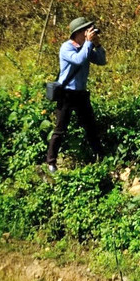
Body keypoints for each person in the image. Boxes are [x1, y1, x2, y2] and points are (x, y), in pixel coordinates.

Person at [45, 16, 106, 174]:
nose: (90, 33)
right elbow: (79, 60)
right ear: (78, 32)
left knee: (90, 126)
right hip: (66, 94)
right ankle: (51, 162)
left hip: (81, 94)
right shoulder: (67, 48)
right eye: (87, 30)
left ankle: (101, 156)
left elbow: (101, 60)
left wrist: (97, 45)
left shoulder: (86, 47)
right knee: (60, 128)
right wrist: (88, 43)